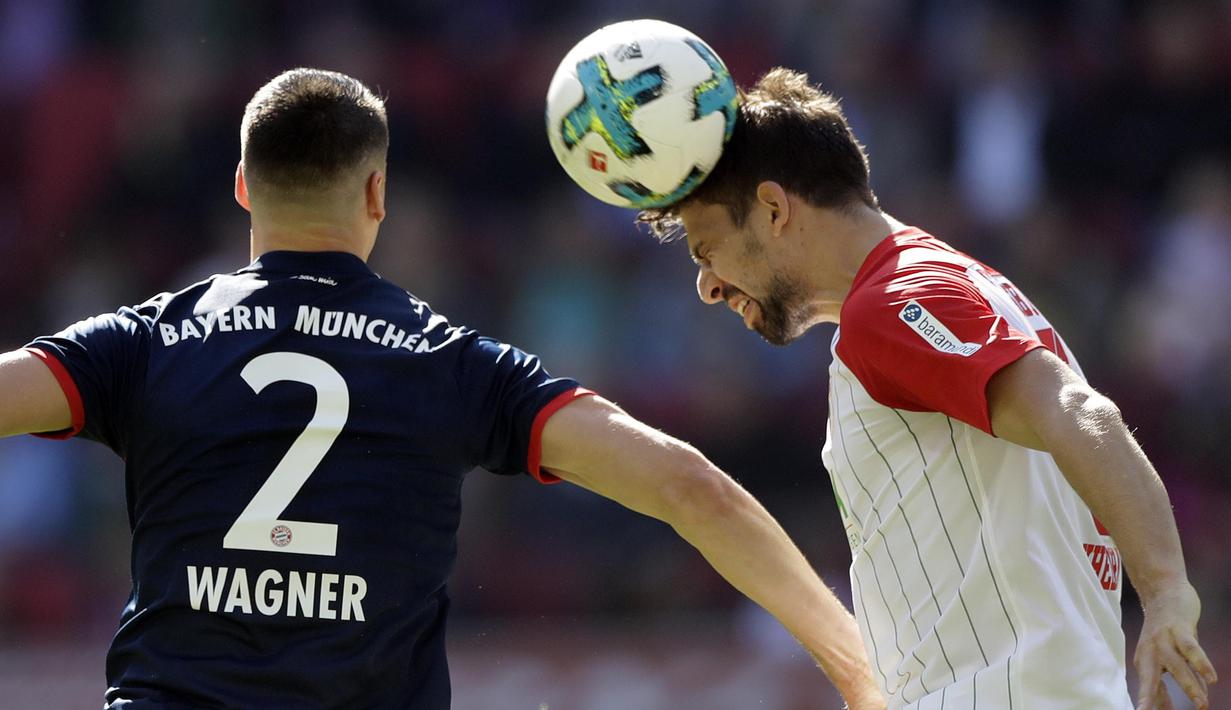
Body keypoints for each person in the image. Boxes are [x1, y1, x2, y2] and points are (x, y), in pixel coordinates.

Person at [0, 68, 883, 709]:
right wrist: (850, 663)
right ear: (377, 193)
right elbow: (688, 487)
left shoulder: (148, 341)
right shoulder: (448, 360)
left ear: (242, 188)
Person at [637, 68, 1218, 710]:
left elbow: (1081, 412)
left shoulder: (893, 302)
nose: (707, 286)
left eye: (706, 250)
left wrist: (1165, 588)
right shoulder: (949, 290)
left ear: (774, 209)